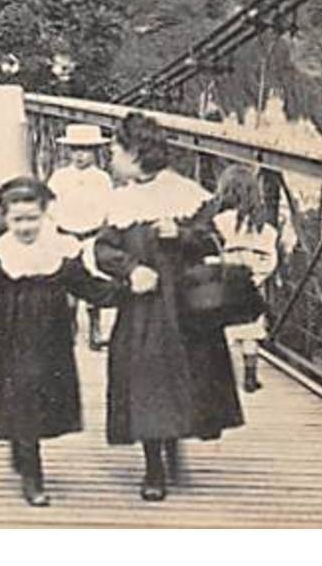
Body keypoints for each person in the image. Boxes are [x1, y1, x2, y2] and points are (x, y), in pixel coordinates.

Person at [93, 111, 242, 502]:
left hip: (185, 305)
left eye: (115, 149)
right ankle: (153, 466)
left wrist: (183, 235)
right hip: (143, 308)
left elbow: (214, 242)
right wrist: (131, 269)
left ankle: (173, 439)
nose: (109, 156)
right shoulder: (121, 200)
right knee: (145, 380)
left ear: (136, 152)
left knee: (185, 375)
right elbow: (103, 249)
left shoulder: (187, 194)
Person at [0, 176, 120, 506]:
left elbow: (85, 284)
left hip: (51, 341)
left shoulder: (59, 251)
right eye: (16, 220)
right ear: (5, 219)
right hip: (9, 342)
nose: (25, 227)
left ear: (46, 214)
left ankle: (22, 449)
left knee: (40, 402)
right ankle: (33, 476)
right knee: (22, 403)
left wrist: (123, 294)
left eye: (32, 218)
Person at [209, 165, 279, 394]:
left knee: (225, 333)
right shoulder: (265, 228)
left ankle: (222, 378)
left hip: (225, 286)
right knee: (250, 334)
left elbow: (210, 253)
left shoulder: (219, 222)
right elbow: (270, 260)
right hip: (251, 287)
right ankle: (250, 377)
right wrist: (257, 277)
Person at [47, 123, 114, 351]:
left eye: (85, 150)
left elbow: (108, 208)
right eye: (75, 150)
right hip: (66, 235)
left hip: (91, 236)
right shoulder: (60, 177)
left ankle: (95, 330)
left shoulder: (102, 179)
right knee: (67, 285)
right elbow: (50, 206)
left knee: (93, 282)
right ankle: (69, 327)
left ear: (95, 152)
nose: (80, 155)